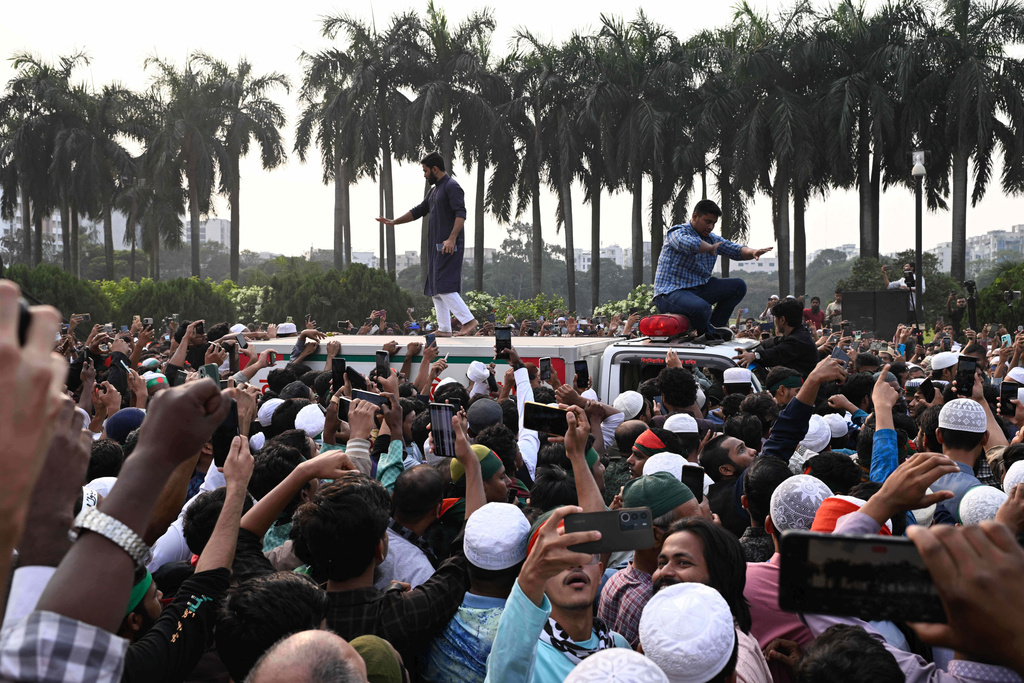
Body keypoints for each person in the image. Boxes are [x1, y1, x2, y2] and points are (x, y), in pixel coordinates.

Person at [376, 152, 477, 337]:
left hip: (449, 246)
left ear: (435, 169)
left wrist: (452, 238)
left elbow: (461, 214)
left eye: (425, 170)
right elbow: (419, 210)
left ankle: (469, 321)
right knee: (435, 289)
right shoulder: (434, 191)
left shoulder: (452, 187)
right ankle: (445, 328)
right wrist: (393, 221)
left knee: (443, 285)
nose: (424, 174)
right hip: (436, 248)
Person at [653, 199, 773, 344]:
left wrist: (753, 251)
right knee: (702, 308)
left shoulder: (712, 239)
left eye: (714, 223)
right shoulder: (677, 232)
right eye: (707, 221)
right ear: (695, 216)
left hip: (698, 289)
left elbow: (734, 249)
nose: (710, 227)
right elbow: (686, 243)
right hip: (670, 293)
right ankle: (709, 334)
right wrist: (709, 248)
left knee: (738, 286)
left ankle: (716, 327)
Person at [734, 299, 817, 378]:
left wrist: (754, 356)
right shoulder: (799, 334)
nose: (775, 321)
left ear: (782, 320)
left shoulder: (797, 340)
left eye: (775, 318)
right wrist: (755, 343)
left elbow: (776, 353)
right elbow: (775, 341)